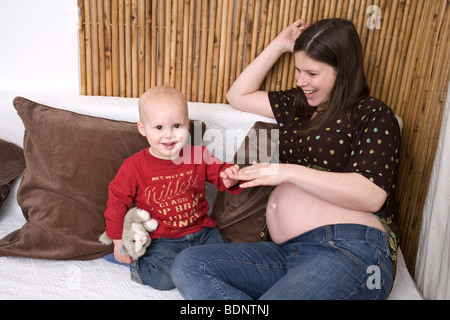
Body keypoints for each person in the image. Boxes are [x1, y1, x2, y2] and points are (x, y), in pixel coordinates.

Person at [171, 18, 401, 300]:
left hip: (349, 248)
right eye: (297, 70)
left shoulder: (372, 113)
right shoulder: (298, 106)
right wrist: (280, 45)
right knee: (190, 264)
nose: (300, 81)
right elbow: (237, 95)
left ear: (344, 71)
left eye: (312, 73)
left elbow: (371, 195)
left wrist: (288, 172)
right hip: (286, 253)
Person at [103, 85, 241, 290]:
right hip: (162, 239)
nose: (169, 135)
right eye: (159, 128)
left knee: (227, 265)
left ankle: (193, 267)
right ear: (142, 128)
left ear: (187, 125)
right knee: (164, 280)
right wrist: (117, 240)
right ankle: (142, 265)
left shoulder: (197, 155)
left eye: (177, 125)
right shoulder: (134, 167)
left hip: (203, 231)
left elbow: (220, 171)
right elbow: (117, 201)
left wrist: (228, 176)